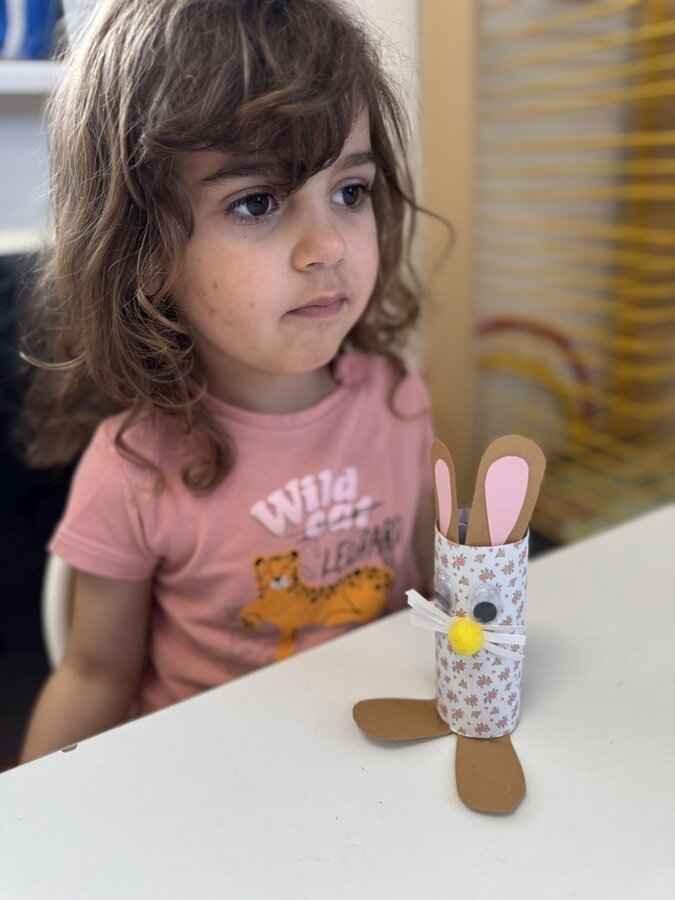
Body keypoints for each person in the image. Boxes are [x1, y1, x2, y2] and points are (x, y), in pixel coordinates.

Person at [19, 0, 436, 763]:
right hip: (211, 778)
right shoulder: (133, 471)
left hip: (379, 757)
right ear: (146, 256)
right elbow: (93, 677)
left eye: (349, 192)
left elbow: (431, 602)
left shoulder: (398, 400)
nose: (325, 247)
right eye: (257, 202)